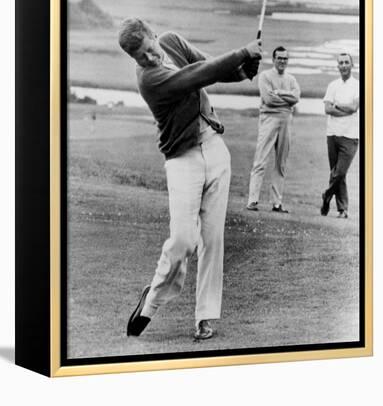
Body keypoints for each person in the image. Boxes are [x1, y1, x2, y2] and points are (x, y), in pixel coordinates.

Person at [118, 18, 262, 340]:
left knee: (213, 240)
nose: (151, 58)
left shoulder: (172, 41)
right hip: (183, 160)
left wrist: (242, 71)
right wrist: (242, 51)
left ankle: (206, 317)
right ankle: (151, 302)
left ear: (155, 36)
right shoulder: (150, 80)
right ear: (135, 60)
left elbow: (207, 64)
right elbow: (196, 76)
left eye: (151, 49)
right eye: (142, 57)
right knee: (183, 240)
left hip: (214, 149)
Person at [246, 46, 300, 213]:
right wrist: (287, 100)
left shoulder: (291, 79)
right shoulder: (265, 76)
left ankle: (277, 203)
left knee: (281, 163)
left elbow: (296, 97)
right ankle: (252, 200)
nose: (282, 61)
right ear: (274, 59)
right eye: (279, 58)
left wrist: (280, 93)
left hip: (286, 121)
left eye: (285, 58)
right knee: (260, 160)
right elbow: (268, 99)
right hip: (269, 119)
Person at [320, 53, 359, 218]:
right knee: (336, 172)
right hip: (332, 134)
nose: (343, 66)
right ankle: (343, 209)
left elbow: (353, 108)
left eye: (346, 63)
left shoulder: (358, 85)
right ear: (338, 66)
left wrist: (337, 106)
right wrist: (342, 109)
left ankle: (326, 194)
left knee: (340, 172)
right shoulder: (332, 85)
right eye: (341, 63)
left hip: (350, 135)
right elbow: (327, 109)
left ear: (352, 65)